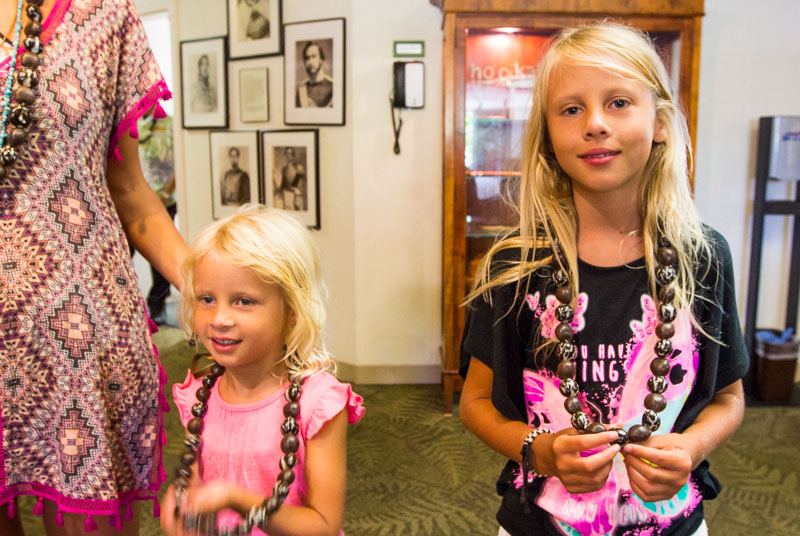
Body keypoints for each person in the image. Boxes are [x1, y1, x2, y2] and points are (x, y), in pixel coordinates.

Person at [459, 23, 748, 536]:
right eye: (571, 109)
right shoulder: (514, 266)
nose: (595, 124)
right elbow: (476, 404)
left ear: (659, 122)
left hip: (673, 522)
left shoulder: (704, 257)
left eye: (618, 103)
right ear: (548, 135)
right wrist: (540, 450)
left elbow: (728, 398)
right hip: (540, 523)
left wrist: (692, 446)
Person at [0, 0, 187, 535]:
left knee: (87, 519)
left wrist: (207, 287)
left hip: (81, 332)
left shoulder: (101, 16)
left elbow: (131, 192)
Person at [160, 206, 364, 536]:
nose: (219, 318)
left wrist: (237, 499)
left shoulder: (318, 404)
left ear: (293, 311)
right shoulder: (198, 394)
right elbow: (193, 493)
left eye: (243, 301)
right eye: (207, 299)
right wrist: (181, 516)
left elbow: (324, 526)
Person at [136, 106, 177, 324]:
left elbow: (179, 163)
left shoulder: (169, 124)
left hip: (162, 199)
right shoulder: (128, 123)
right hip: (132, 201)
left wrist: (167, 193)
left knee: (160, 257)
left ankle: (158, 306)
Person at [295, 41, 333, 108]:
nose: (310, 62)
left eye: (314, 56)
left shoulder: (333, 86)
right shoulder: (301, 90)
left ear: (321, 59)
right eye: (307, 58)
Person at [277, 147, 307, 211]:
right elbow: (283, 183)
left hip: (297, 195)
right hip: (287, 195)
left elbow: (303, 181)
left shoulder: (298, 167)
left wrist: (298, 189)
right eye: (287, 154)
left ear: (293, 155)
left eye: (290, 154)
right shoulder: (284, 169)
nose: (288, 156)